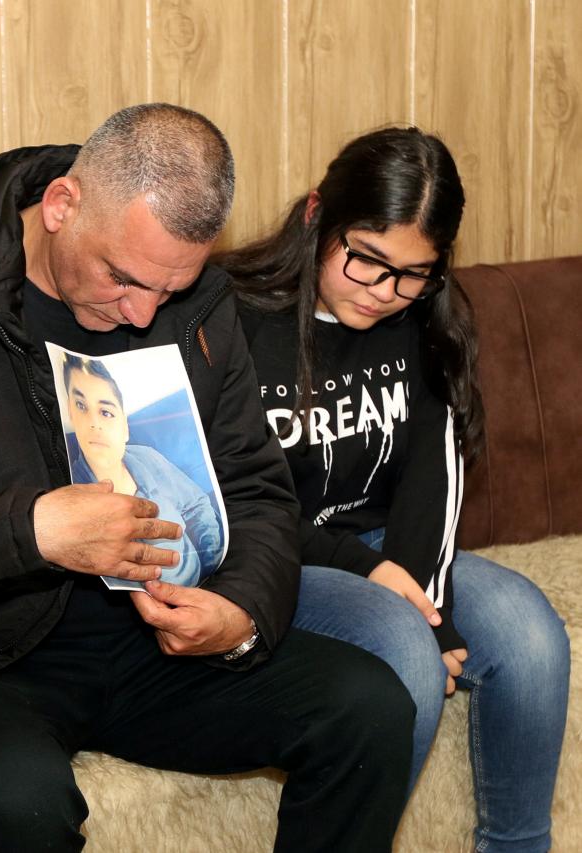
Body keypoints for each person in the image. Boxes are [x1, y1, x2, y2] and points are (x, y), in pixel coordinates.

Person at [0, 103, 415, 853]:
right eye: (123, 278)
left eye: (170, 288)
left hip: (144, 642)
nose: (141, 311)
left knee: (369, 706)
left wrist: (242, 613)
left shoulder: (197, 302)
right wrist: (31, 531)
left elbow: (255, 489)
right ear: (61, 205)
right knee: (24, 805)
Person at [219, 126, 569, 852]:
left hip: (381, 545)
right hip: (276, 556)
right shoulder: (233, 317)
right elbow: (229, 496)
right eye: (367, 260)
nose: (385, 292)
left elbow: (430, 480)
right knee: (400, 644)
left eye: (415, 272)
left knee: (532, 632)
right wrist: (383, 583)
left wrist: (428, 597)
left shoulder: (425, 318)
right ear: (318, 213)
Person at [61, 353, 222, 585]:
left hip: (203, 582)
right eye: (81, 406)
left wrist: (211, 571)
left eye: (106, 412)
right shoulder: (71, 492)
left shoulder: (148, 458)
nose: (93, 423)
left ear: (125, 428)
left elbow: (197, 507)